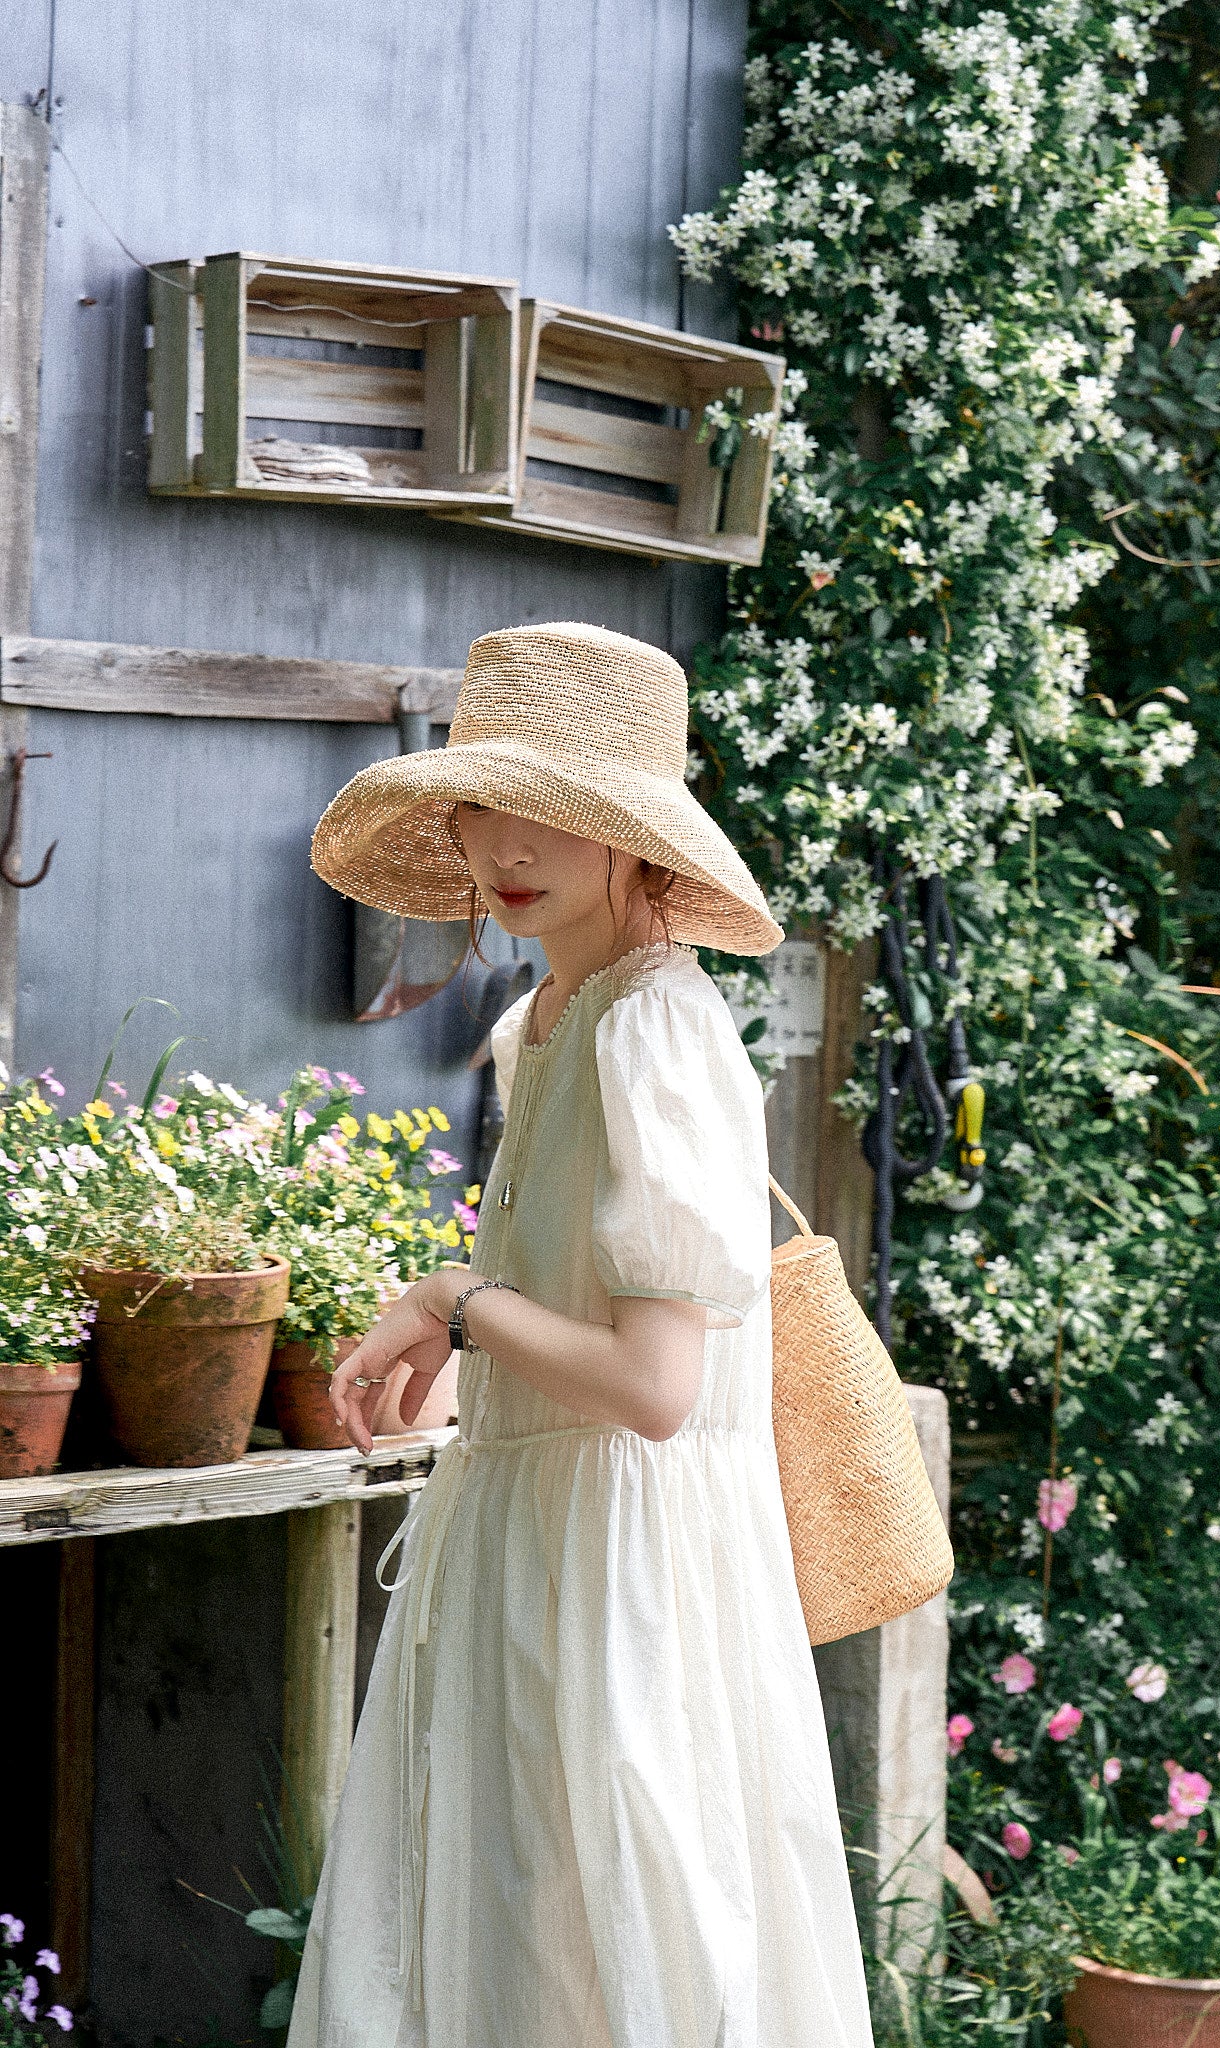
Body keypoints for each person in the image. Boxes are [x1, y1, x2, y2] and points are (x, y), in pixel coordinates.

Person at [291, 623, 874, 2048]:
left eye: (558, 808)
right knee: (517, 1957)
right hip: (537, 1548)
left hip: (622, 1578)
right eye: (483, 800)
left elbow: (656, 1391)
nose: (507, 842)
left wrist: (453, 1302)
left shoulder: (651, 1033)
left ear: (632, 837)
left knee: (610, 1960)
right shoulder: (547, 1019)